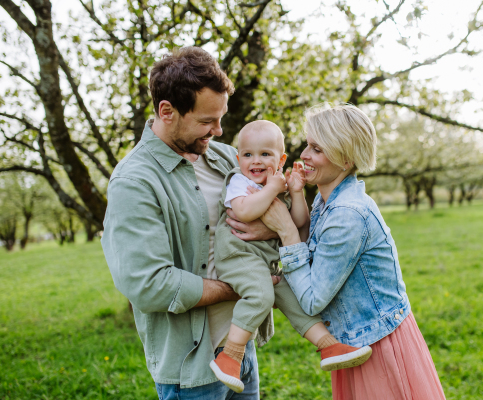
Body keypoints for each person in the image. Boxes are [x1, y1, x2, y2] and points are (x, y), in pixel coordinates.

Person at [101, 46, 277, 399]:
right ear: (167, 111)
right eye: (207, 121)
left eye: (221, 117)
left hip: (238, 348)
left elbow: (273, 209)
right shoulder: (134, 182)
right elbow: (148, 283)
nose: (220, 130)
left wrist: (269, 230)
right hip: (190, 367)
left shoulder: (227, 158)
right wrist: (242, 287)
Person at [259, 103, 447, 400]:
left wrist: (286, 230)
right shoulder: (326, 200)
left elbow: (312, 300)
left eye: (316, 149)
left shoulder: (347, 213)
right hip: (358, 340)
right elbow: (312, 257)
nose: (304, 155)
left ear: (345, 158)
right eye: (308, 144)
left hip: (378, 346)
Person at [209, 120, 372, 393]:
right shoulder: (239, 181)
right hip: (239, 256)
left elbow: (298, 222)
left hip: (268, 260)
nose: (256, 161)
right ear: (238, 159)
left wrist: (295, 192)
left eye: (265, 154)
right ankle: (230, 355)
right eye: (248, 155)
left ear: (281, 158)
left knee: (293, 295)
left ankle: (327, 345)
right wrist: (273, 189)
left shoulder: (280, 184)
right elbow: (246, 212)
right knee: (261, 295)